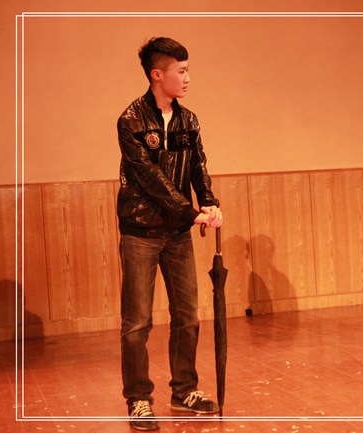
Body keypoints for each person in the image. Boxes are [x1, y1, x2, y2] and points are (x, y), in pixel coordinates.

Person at [117, 37, 223, 430]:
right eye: (182, 71)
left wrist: (208, 202)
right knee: (137, 323)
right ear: (157, 74)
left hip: (177, 233)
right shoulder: (130, 120)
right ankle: (138, 399)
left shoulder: (188, 120)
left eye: (188, 69)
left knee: (187, 316)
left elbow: (198, 166)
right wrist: (189, 212)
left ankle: (184, 391)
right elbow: (150, 178)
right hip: (141, 231)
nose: (188, 77)